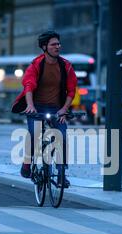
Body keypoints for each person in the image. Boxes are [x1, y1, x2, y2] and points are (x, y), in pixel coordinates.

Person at [12, 31, 77, 187]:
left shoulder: (66, 66)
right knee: (34, 134)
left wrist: (64, 109)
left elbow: (72, 90)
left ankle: (61, 175)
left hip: (57, 108)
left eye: (58, 44)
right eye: (53, 44)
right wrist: (30, 105)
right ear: (44, 47)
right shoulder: (36, 64)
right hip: (37, 107)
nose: (58, 46)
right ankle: (27, 163)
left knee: (62, 136)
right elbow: (29, 86)